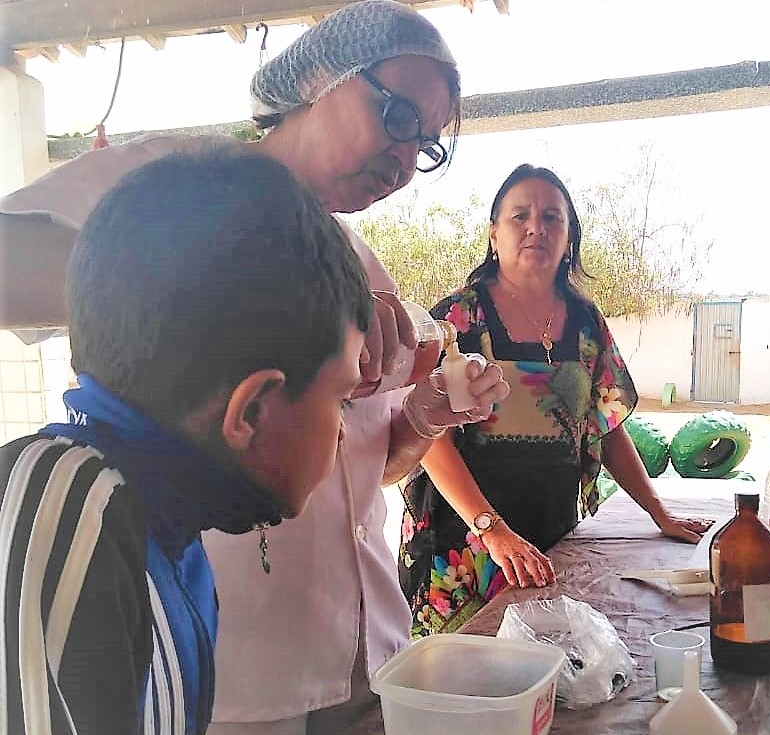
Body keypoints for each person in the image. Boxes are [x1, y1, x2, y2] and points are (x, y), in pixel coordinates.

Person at [0, 2, 509, 732]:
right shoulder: (177, 182)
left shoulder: (358, 262)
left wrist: (427, 412)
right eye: (399, 116)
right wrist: (253, 286)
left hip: (369, 654)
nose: (405, 157)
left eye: (425, 144)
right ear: (320, 79)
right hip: (236, 680)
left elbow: (369, 471)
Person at [0, 148, 372, 734]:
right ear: (249, 411)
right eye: (340, 398)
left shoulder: (165, 526)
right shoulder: (68, 505)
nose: (343, 427)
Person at [399, 163, 714, 637]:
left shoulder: (586, 322)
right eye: (519, 216)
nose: (535, 228)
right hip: (463, 544)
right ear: (494, 234)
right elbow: (431, 438)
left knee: (553, 671)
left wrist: (658, 512)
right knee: (463, 676)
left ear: (569, 236)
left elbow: (604, 426)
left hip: (552, 534)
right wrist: (492, 530)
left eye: (551, 218)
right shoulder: (458, 318)